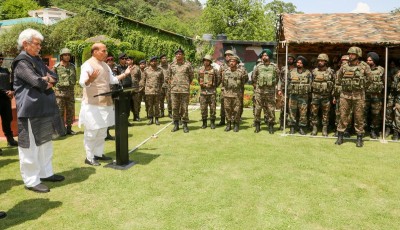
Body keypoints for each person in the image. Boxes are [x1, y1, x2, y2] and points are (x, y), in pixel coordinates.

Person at [12, 28, 65, 193]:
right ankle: (31, 180)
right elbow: (37, 82)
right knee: (30, 147)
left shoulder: (37, 60)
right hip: (30, 111)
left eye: (40, 44)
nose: (39, 47)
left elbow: (54, 77)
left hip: (43, 109)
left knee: (45, 143)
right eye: (37, 44)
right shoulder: (21, 62)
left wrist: (47, 79)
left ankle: (46, 173)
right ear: (25, 44)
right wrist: (46, 80)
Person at [78, 43, 132, 166]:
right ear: (94, 52)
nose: (106, 53)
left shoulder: (105, 66)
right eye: (103, 51)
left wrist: (126, 73)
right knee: (92, 131)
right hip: (92, 104)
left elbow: (112, 80)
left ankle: (98, 154)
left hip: (105, 103)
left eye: (106, 51)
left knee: (102, 131)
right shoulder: (87, 65)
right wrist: (90, 79)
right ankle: (89, 157)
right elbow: (82, 82)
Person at [335, 47, 372, 147]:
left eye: (352, 54)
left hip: (358, 95)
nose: (350, 56)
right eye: (349, 54)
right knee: (342, 115)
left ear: (358, 55)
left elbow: (370, 79)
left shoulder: (364, 66)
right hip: (345, 95)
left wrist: (361, 87)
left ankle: (359, 137)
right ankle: (340, 137)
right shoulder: (344, 66)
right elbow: (338, 79)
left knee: (359, 116)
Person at [252, 49, 281, 133]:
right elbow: (254, 78)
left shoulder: (274, 67)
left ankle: (271, 125)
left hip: (270, 92)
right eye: (263, 55)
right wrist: (257, 87)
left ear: (269, 57)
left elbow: (278, 78)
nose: (264, 56)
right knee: (257, 108)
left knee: (271, 109)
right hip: (259, 92)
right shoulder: (258, 67)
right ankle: (257, 125)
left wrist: (275, 87)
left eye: (266, 55)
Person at [167, 48, 194, 133]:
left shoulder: (188, 65)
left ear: (183, 55)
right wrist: (173, 85)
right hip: (174, 90)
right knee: (174, 108)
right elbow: (169, 76)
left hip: (184, 90)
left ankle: (185, 125)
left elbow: (191, 77)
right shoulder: (172, 65)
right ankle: (176, 125)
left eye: (180, 54)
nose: (178, 55)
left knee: (184, 108)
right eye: (177, 54)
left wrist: (185, 84)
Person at [53, 48, 77, 135]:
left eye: (68, 55)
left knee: (70, 111)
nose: (67, 56)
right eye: (65, 55)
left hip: (70, 92)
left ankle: (69, 129)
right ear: (61, 56)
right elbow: (53, 79)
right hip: (60, 93)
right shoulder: (56, 67)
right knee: (60, 111)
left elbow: (75, 78)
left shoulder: (72, 66)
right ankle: (60, 129)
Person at [310, 53, 335, 136]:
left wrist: (333, 95)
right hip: (315, 96)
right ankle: (315, 128)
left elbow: (334, 84)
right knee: (314, 112)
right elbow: (310, 83)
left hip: (326, 96)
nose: (320, 62)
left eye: (322, 61)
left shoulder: (331, 72)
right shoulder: (314, 72)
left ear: (326, 61)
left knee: (326, 113)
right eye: (319, 61)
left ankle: (325, 129)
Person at [221, 56, 248, 132]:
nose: (231, 63)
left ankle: (236, 124)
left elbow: (245, 80)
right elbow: (223, 81)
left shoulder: (241, 72)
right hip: (227, 94)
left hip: (237, 95)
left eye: (233, 61)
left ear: (236, 63)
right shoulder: (225, 72)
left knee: (237, 110)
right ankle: (228, 124)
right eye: (230, 61)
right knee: (227, 109)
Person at [287, 56, 312, 135]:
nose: (299, 64)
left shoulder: (308, 73)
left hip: (303, 96)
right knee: (292, 112)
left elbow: (311, 84)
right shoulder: (291, 72)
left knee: (303, 112)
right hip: (293, 95)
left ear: (303, 64)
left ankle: (302, 128)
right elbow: (287, 83)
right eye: (298, 62)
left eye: (300, 63)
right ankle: (292, 127)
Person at [365, 52, 384, 139]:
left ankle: (373, 130)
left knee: (376, 114)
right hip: (365, 95)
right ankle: (362, 130)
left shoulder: (381, 70)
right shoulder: (364, 69)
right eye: (367, 60)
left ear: (374, 60)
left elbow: (384, 81)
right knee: (363, 113)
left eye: (370, 60)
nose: (368, 61)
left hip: (376, 96)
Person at [0, 53, 18, 146]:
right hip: (3, 96)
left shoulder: (6, 70)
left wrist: (12, 91)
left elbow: (10, 82)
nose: (1, 60)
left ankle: (10, 140)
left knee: (7, 119)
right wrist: (6, 92)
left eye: (2, 58)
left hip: (6, 100)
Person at [198, 54, 220, 129]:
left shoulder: (214, 70)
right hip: (203, 92)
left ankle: (212, 123)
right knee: (203, 108)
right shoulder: (200, 69)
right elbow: (198, 79)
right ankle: (204, 123)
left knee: (212, 108)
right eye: (205, 60)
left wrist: (214, 86)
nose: (206, 62)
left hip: (212, 92)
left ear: (210, 62)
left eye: (207, 61)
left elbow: (218, 79)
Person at [141, 56, 164, 125]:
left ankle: (157, 119)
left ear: (157, 62)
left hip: (157, 91)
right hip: (149, 91)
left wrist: (159, 88)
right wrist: (143, 88)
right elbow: (143, 80)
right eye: (152, 61)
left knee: (157, 106)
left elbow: (162, 80)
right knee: (150, 105)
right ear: (150, 62)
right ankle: (150, 118)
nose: (154, 62)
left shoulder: (160, 70)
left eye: (155, 61)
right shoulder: (146, 70)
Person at [279, 53, 296, 130]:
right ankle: (282, 124)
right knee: (283, 108)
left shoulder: (296, 70)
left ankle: (292, 124)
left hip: (293, 92)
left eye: (291, 59)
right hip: (284, 91)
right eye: (288, 59)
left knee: (292, 108)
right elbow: (280, 79)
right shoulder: (283, 68)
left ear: (294, 60)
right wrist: (279, 89)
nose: (289, 60)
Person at [218, 50, 235, 126]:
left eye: (229, 55)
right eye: (226, 55)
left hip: (234, 90)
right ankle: (222, 120)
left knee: (233, 106)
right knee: (223, 105)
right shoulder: (222, 66)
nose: (227, 56)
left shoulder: (236, 65)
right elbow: (218, 77)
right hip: (224, 89)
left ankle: (232, 120)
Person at [116, 53, 133, 126]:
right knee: (121, 106)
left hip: (128, 88)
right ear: (119, 59)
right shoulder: (117, 68)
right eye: (123, 59)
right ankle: (120, 121)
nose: (125, 60)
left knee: (127, 105)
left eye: (126, 59)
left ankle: (126, 120)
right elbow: (116, 78)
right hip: (122, 89)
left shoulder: (127, 67)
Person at [159, 54, 172, 118]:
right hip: (160, 86)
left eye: (165, 58)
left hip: (168, 86)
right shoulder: (158, 67)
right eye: (163, 58)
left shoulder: (169, 66)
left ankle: (170, 112)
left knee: (169, 100)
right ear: (160, 59)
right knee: (161, 100)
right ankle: (162, 112)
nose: (164, 59)